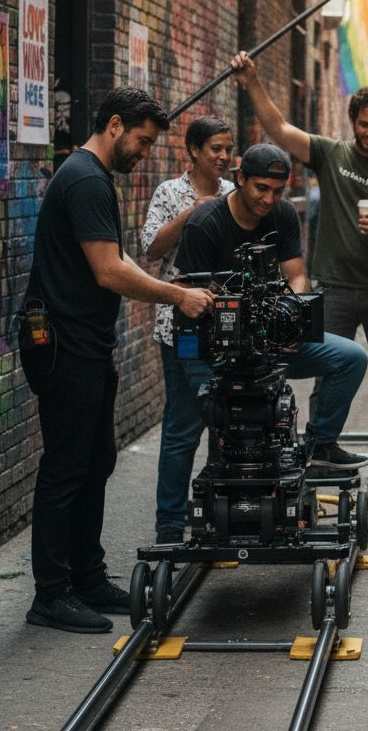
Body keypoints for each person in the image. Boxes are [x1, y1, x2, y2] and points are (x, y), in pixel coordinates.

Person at [18, 87, 214, 634]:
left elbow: (120, 256)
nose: (144, 153)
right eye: (142, 141)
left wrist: (168, 283)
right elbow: (108, 270)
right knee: (66, 467)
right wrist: (175, 296)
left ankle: (86, 575)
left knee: (96, 460)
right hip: (65, 345)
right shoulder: (83, 179)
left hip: (87, 343)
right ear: (113, 125)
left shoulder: (92, 177)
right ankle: (51, 593)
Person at [231, 52, 368, 493]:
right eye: (365, 125)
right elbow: (279, 129)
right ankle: (320, 448)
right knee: (327, 372)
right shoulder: (331, 154)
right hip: (334, 286)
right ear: (353, 121)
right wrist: (253, 81)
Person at [173, 142, 368, 486]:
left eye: (278, 191)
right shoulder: (206, 224)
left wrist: (292, 318)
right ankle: (180, 521)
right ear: (241, 179)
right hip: (214, 349)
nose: (269, 199)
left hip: (271, 340)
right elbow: (186, 293)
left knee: (351, 358)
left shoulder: (282, 215)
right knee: (217, 428)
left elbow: (296, 274)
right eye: (261, 189)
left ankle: (320, 444)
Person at [140, 116, 235, 543]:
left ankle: (220, 515)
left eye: (227, 149)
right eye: (215, 148)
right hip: (181, 329)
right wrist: (193, 212)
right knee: (183, 425)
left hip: (232, 328)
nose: (223, 156)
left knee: (228, 423)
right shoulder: (169, 192)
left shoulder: (235, 194)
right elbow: (151, 249)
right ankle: (170, 524)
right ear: (193, 150)